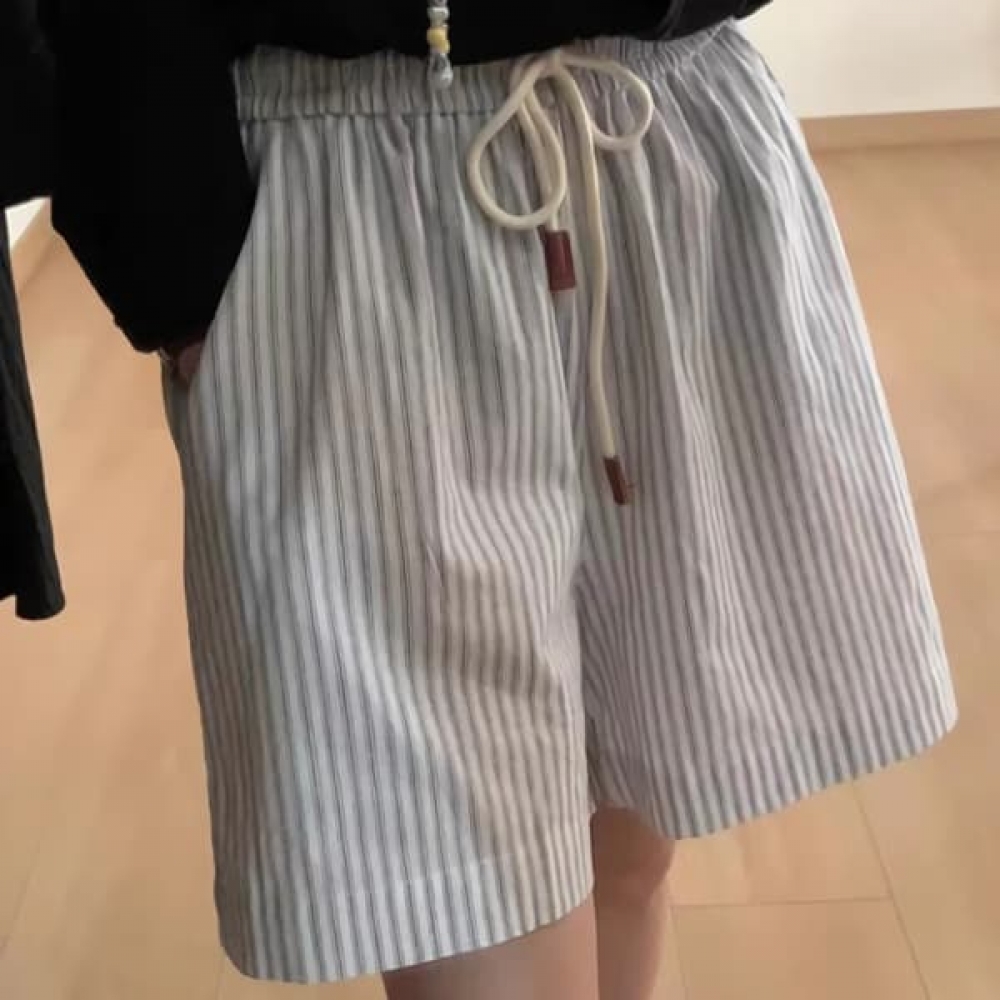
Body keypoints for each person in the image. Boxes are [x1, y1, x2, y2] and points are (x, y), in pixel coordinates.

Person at [38, 2, 956, 997]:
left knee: (628, 852)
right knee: (480, 905)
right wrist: (179, 276)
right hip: (352, 188)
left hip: (662, 130)